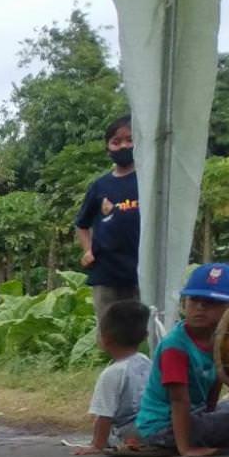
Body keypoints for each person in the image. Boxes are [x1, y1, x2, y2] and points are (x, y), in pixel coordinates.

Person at [111, 262, 229, 457]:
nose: (200, 307)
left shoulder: (221, 341)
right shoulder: (175, 346)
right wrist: (186, 448)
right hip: (162, 428)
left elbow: (214, 386)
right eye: (194, 300)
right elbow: (178, 400)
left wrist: (212, 416)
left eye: (211, 302)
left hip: (192, 417)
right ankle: (193, 442)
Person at [75, 115, 140, 331]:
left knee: (144, 328)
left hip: (143, 270)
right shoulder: (99, 186)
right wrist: (87, 250)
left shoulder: (149, 181)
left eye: (129, 140)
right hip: (107, 272)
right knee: (111, 331)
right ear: (108, 148)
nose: (123, 146)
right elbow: (82, 224)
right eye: (116, 141)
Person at [69, 299, 151, 455]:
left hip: (129, 431)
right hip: (153, 424)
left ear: (105, 339)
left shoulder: (112, 373)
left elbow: (104, 416)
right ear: (145, 336)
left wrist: (96, 445)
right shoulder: (146, 361)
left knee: (113, 435)